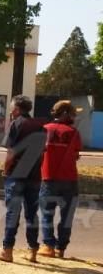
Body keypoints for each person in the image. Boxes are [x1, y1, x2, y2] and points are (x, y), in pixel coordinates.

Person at [0, 95, 46, 263]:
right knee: (32, 214)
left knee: (13, 213)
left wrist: (6, 170)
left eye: (11, 107)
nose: (10, 110)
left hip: (16, 174)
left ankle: (7, 250)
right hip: (35, 174)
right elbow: (42, 151)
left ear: (16, 109)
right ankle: (32, 251)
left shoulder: (16, 124)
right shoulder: (41, 126)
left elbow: (11, 151)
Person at [37, 101, 83, 259]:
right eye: (72, 114)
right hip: (70, 180)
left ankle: (48, 246)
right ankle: (60, 249)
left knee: (46, 214)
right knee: (67, 215)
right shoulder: (73, 132)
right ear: (64, 114)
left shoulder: (44, 130)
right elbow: (76, 155)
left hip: (48, 179)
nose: (74, 117)